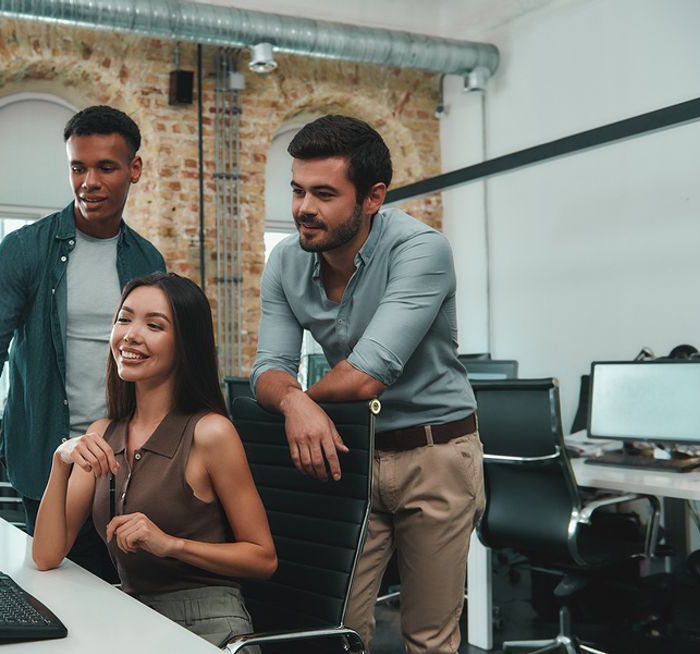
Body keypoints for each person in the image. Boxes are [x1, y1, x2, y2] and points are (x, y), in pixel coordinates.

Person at [0, 106, 165, 585]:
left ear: (133, 169)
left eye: (106, 167)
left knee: (125, 595)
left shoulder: (147, 259)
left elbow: (160, 371)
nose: (89, 182)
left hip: (126, 464)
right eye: (78, 167)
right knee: (56, 585)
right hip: (49, 459)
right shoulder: (24, 250)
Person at [250, 115, 485, 654]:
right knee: (337, 628)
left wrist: (297, 402)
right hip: (352, 453)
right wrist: (291, 401)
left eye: (324, 194)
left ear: (373, 197)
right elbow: (269, 368)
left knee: (428, 637)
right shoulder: (286, 261)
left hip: (436, 454)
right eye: (297, 190)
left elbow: (365, 375)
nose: (304, 208)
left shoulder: (421, 250)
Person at [32, 272, 277, 647]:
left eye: (154, 325)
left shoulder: (210, 433)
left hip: (208, 624)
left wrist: (170, 544)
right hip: (134, 617)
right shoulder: (102, 433)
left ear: (185, 344)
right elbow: (47, 555)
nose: (130, 334)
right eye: (124, 319)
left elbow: (263, 559)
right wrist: (60, 461)